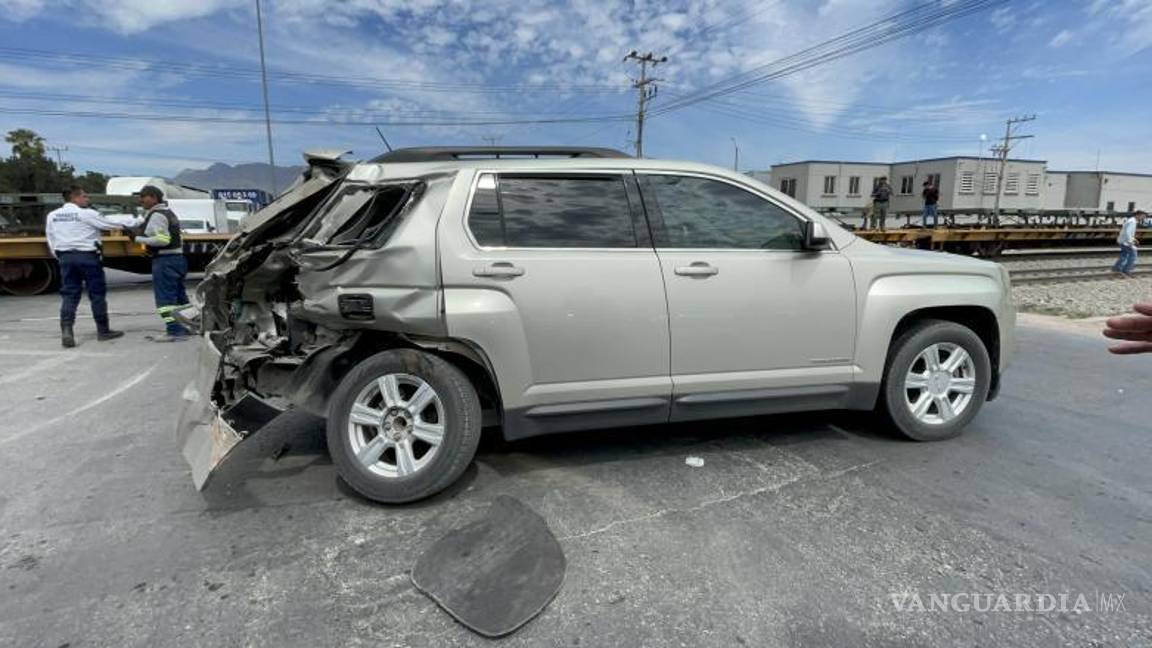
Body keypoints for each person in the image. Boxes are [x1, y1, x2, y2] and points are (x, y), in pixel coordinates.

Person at [45, 186, 140, 348]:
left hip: (65, 257)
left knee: (70, 295)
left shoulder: (52, 216)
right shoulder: (86, 213)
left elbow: (51, 238)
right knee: (97, 294)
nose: (87, 199)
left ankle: (67, 331)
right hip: (87, 257)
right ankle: (103, 331)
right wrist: (139, 221)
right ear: (75, 198)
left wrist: (60, 256)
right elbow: (111, 223)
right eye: (84, 196)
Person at [132, 185, 191, 340]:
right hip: (177, 259)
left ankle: (174, 330)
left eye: (143, 196)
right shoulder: (168, 212)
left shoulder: (157, 215)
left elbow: (162, 240)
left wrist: (136, 238)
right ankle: (188, 326)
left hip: (165, 260)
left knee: (166, 301)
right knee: (180, 298)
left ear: (153, 197)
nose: (141, 200)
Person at [1111, 210, 1142, 278]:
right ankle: (1126, 270)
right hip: (1126, 242)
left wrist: (1134, 239)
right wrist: (1130, 242)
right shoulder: (1132, 221)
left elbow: (1128, 232)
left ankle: (1116, 269)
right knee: (1133, 255)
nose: (1142, 217)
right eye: (1142, 216)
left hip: (1123, 240)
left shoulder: (1131, 220)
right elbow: (1128, 232)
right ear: (1138, 215)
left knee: (1124, 255)